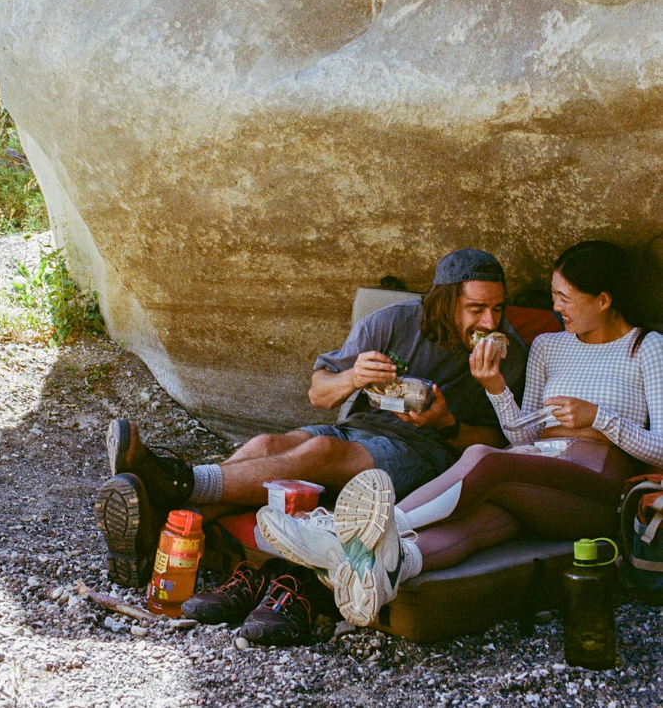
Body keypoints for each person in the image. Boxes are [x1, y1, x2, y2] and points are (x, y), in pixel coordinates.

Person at [258, 240, 663, 626]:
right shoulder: (548, 346)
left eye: (564, 298)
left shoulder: (648, 348)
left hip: (594, 482)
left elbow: (661, 451)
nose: (555, 308)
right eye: (554, 296)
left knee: (485, 460)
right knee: (472, 526)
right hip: (536, 471)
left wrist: (599, 418)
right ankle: (378, 574)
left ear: (603, 299)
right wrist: (495, 387)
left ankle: (356, 531)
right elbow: (522, 439)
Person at [95, 248, 527, 587]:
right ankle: (164, 526)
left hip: (428, 451)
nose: (490, 321)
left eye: (498, 309)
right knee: (267, 445)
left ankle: (176, 480)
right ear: (445, 301)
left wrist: (444, 423)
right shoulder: (393, 322)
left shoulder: (507, 353)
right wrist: (354, 377)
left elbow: (503, 445)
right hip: (358, 429)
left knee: (320, 451)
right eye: (476, 309)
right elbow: (319, 393)